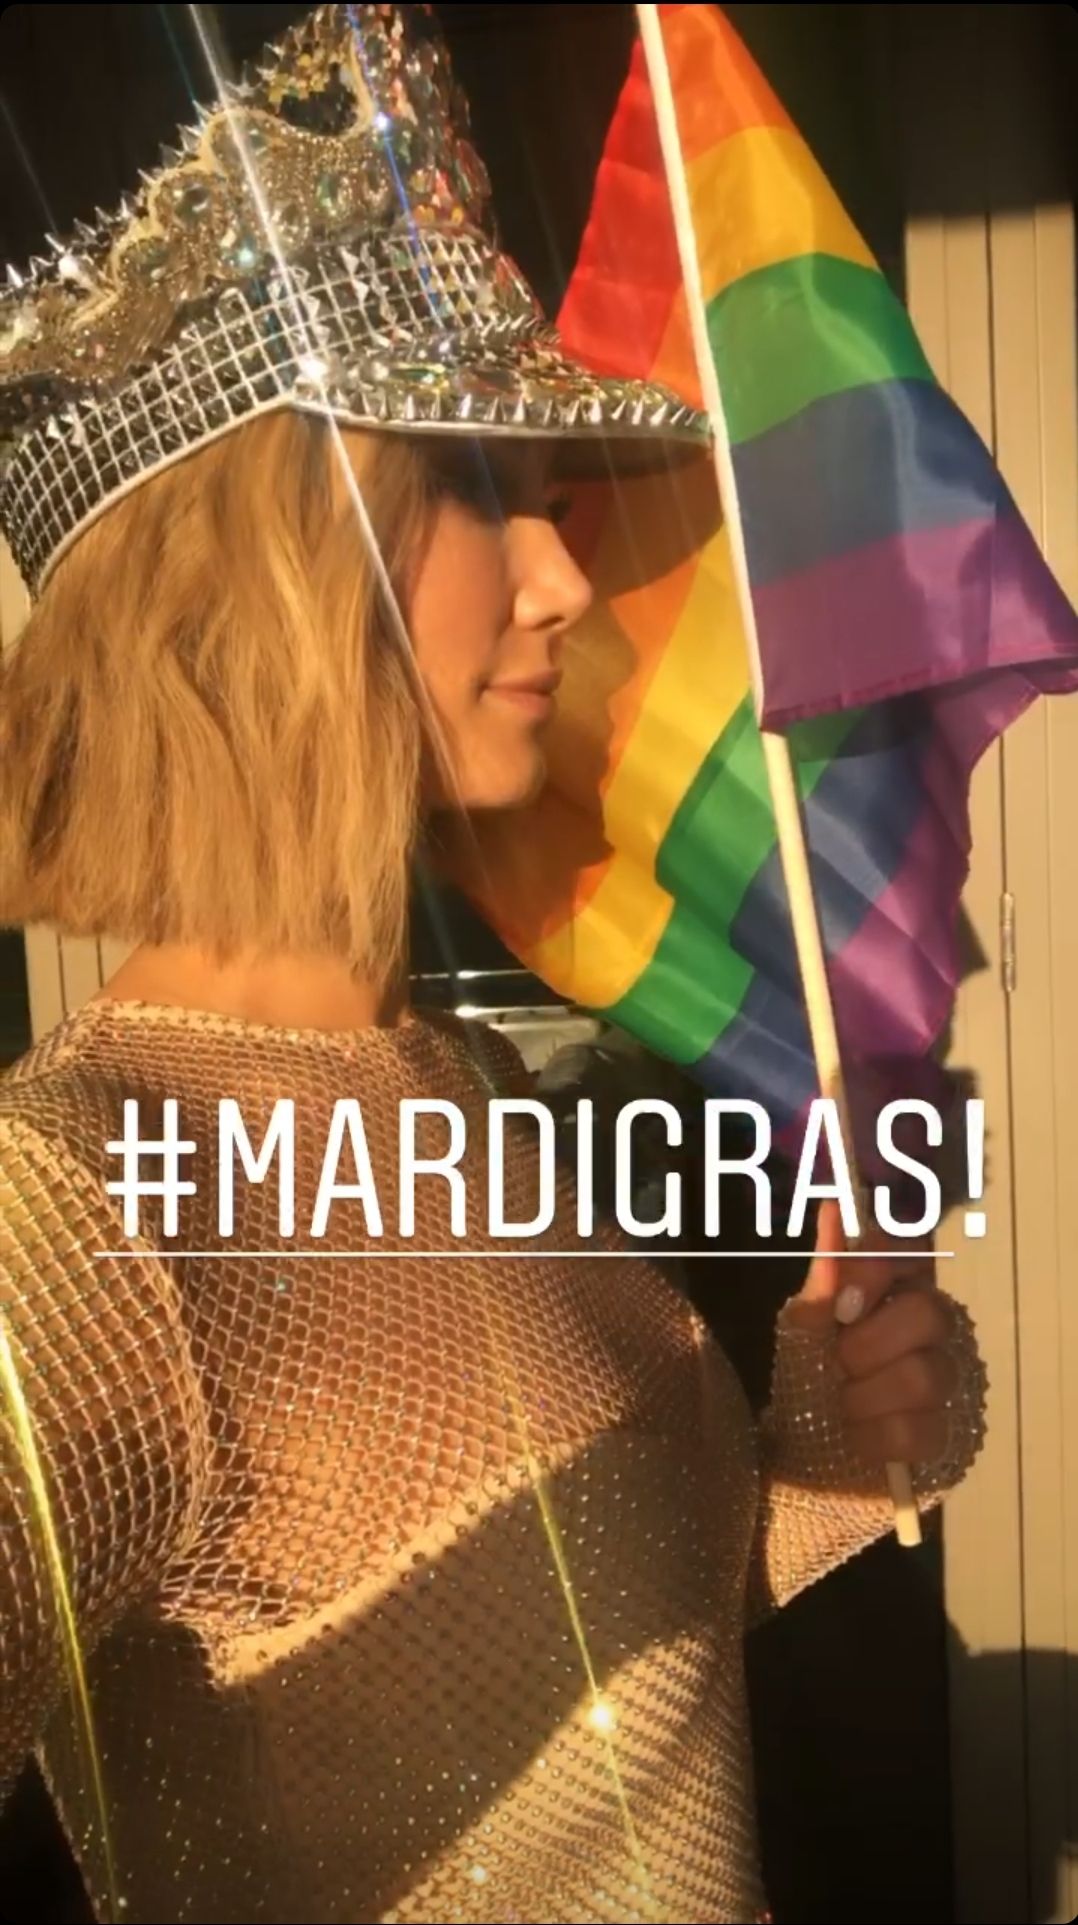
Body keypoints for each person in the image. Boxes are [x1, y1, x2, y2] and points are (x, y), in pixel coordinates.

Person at [0, 7, 986, 1923]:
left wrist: (817, 1455)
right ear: (262, 570)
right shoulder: (85, 1214)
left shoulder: (452, 1082)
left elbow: (584, 1672)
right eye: (474, 487)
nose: (561, 576)